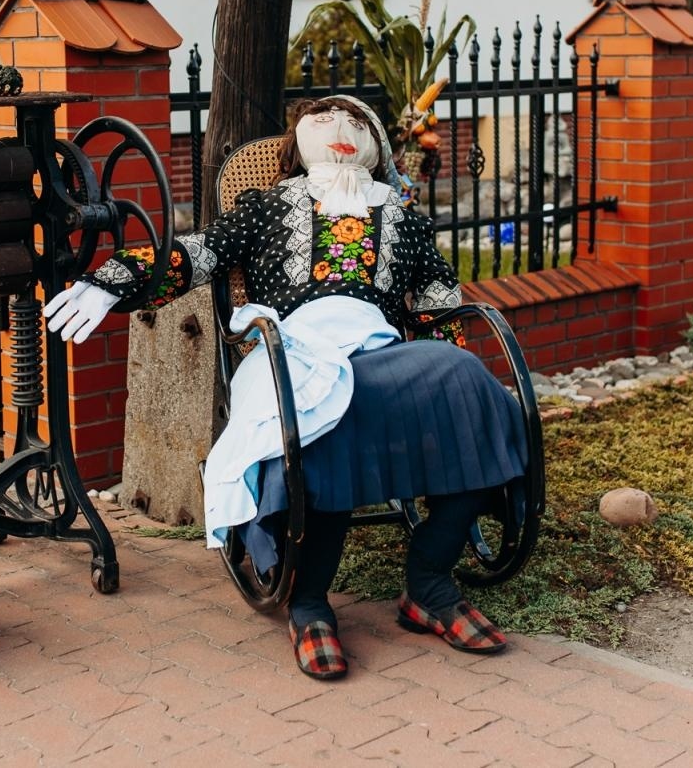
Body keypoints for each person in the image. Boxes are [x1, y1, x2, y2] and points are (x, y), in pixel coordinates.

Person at [45, 95, 529, 680]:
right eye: (324, 121)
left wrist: (446, 392)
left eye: (356, 122)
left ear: (376, 145)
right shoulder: (268, 205)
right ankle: (309, 603)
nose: (342, 129)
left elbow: (438, 300)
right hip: (291, 350)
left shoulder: (404, 217)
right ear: (298, 143)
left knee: (470, 386)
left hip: (381, 352)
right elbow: (198, 253)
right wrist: (113, 280)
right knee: (320, 407)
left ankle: (429, 582)